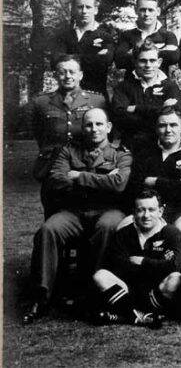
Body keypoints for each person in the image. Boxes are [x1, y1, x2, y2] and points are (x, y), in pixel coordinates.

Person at [23, 108, 131, 324]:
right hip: (74, 212)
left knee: (108, 226)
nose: (94, 129)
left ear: (108, 127)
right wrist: (101, 180)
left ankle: (96, 290)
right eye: (89, 125)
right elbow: (56, 181)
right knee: (49, 229)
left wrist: (79, 175)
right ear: (83, 128)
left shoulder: (121, 153)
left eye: (99, 124)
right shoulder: (68, 151)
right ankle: (42, 296)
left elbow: (118, 185)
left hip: (107, 210)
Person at [26, 54, 107, 216]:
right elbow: (39, 134)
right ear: (56, 75)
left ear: (80, 75)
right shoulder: (41, 102)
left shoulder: (97, 100)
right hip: (52, 169)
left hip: (85, 167)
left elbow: (102, 133)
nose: (68, 76)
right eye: (62, 72)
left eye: (72, 72)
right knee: (53, 217)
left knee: (87, 216)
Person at [92, 189, 181, 328]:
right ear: (134, 212)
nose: (146, 215)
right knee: (100, 275)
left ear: (160, 211)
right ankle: (142, 316)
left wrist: (143, 261)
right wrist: (158, 264)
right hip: (128, 291)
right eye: (141, 210)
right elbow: (118, 267)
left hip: (156, 292)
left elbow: (174, 266)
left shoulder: (172, 233)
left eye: (151, 210)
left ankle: (126, 315)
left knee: (176, 278)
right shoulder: (123, 234)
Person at [126, 108, 181, 247]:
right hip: (147, 208)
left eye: (173, 125)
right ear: (156, 128)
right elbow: (134, 185)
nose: (168, 130)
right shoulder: (145, 153)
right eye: (162, 125)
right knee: (124, 228)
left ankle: (180, 266)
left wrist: (154, 181)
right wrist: (177, 183)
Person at [111, 40, 181, 150]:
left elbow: (173, 116)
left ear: (159, 62)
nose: (148, 65)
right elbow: (120, 118)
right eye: (143, 61)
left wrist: (135, 108)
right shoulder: (123, 87)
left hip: (163, 146)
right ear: (135, 61)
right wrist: (160, 109)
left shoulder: (170, 86)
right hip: (132, 144)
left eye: (152, 60)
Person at [50, 0, 115, 95]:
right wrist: (93, 57)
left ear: (95, 10)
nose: (84, 11)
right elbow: (55, 61)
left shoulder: (106, 36)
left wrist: (68, 58)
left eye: (88, 7)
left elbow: (105, 62)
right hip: (66, 95)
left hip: (95, 95)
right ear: (74, 10)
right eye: (80, 7)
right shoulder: (63, 36)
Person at [114, 0, 179, 73]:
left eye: (151, 10)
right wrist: (161, 50)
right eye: (142, 10)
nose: (147, 14)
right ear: (136, 10)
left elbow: (174, 57)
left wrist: (134, 52)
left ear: (158, 11)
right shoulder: (126, 35)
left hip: (160, 84)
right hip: (133, 83)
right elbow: (120, 61)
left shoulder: (168, 36)